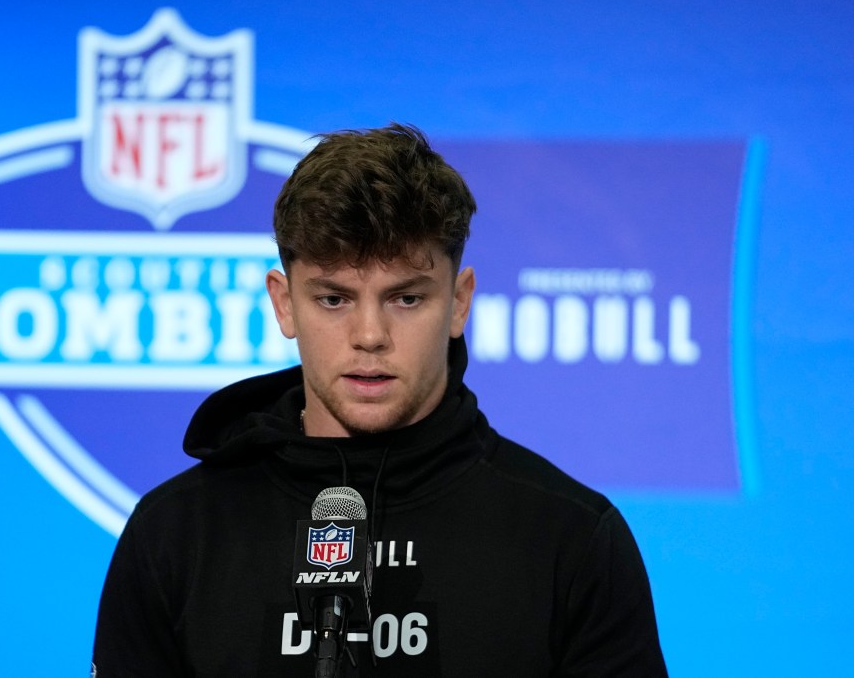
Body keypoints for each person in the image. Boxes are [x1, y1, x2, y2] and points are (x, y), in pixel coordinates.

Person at [92, 123, 668, 676]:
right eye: (334, 299)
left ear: (459, 302)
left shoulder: (570, 538)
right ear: (285, 302)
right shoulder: (174, 535)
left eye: (406, 299)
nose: (370, 335)